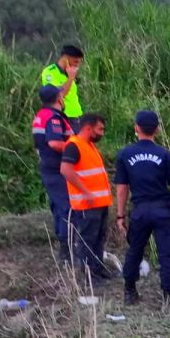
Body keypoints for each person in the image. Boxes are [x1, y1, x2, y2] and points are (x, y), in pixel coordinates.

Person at [114, 110, 170, 304]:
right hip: (163, 211)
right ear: (157, 130)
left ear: (136, 128)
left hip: (140, 211)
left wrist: (120, 216)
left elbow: (122, 189)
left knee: (135, 252)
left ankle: (130, 292)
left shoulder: (125, 155)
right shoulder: (165, 155)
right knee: (167, 255)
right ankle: (169, 297)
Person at [60, 113, 114, 282]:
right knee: (87, 241)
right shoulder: (74, 146)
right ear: (88, 128)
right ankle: (89, 276)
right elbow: (65, 170)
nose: (102, 133)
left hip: (99, 203)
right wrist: (85, 191)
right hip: (86, 204)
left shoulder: (88, 145)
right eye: (100, 129)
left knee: (98, 238)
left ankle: (97, 270)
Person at [31, 84, 73, 260]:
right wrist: (77, 150)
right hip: (58, 168)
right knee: (67, 207)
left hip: (49, 167)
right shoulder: (53, 118)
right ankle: (67, 249)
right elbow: (55, 143)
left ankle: (65, 245)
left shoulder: (40, 116)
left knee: (58, 205)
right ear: (58, 98)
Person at [41, 45, 84, 130]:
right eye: (75, 62)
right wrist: (71, 78)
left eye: (79, 63)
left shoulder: (69, 72)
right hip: (63, 117)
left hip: (77, 117)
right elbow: (59, 95)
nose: (77, 66)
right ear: (65, 59)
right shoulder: (50, 72)